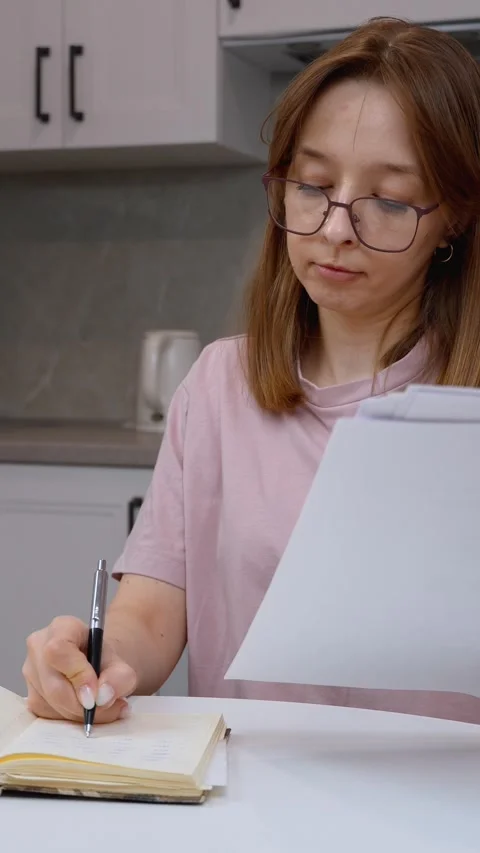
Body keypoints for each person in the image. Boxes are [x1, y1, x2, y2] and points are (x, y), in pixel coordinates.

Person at [23, 17, 480, 725]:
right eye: (313, 185)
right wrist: (95, 659)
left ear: (454, 217)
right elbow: (150, 615)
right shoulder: (217, 386)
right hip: (248, 781)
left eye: (389, 200)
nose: (335, 229)